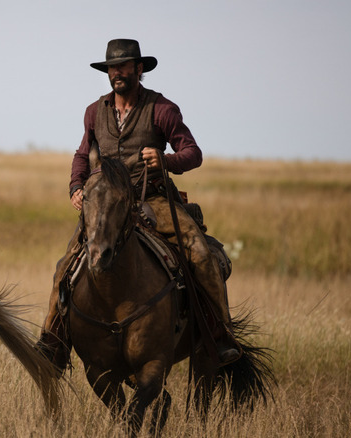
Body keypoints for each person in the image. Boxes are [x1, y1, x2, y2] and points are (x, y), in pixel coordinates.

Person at [36, 39, 241, 371]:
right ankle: (54, 340)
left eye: (124, 66)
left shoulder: (162, 109)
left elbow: (193, 153)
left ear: (139, 69)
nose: (117, 73)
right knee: (66, 265)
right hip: (107, 204)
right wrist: (77, 186)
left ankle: (221, 334)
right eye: (112, 68)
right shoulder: (94, 111)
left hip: (153, 199)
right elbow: (81, 154)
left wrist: (164, 159)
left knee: (201, 255)